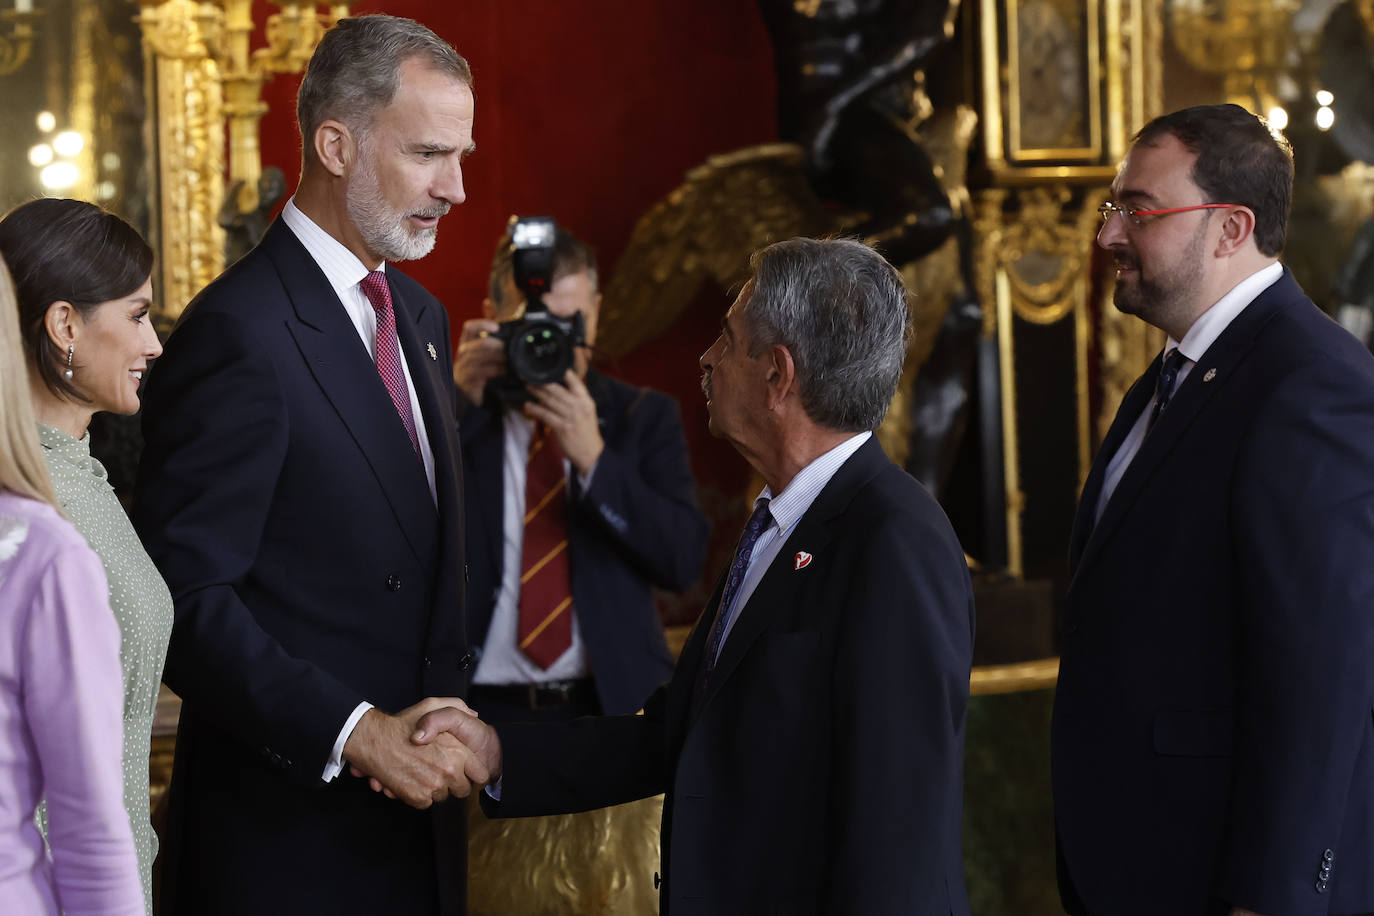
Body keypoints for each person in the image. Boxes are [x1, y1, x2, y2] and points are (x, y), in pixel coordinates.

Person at [419, 237, 976, 915]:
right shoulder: (784, 520)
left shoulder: (893, 540)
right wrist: (499, 748)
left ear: (777, 374)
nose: (706, 358)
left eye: (727, 337)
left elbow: (898, 828)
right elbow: (676, 734)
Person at [131, 14, 486, 915]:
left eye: (461, 156)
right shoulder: (236, 331)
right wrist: (355, 732)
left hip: (421, 832)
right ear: (335, 144)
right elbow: (186, 600)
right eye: (429, 155)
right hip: (289, 847)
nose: (456, 189)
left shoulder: (421, 319)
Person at [1052, 104, 1374, 916]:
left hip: (1223, 882)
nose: (1108, 236)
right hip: (1144, 865)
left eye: (1138, 210)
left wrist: (1275, 897)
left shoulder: (1311, 383)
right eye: (1111, 207)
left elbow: (1323, 675)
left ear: (1231, 228)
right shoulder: (1165, 382)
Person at [452, 225, 709, 723]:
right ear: (493, 319)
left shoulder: (642, 417)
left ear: (595, 314)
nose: (551, 341)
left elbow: (682, 563)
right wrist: (453, 408)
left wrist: (595, 461)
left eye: (570, 322)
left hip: (610, 705)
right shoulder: (448, 416)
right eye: (535, 324)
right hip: (474, 712)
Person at [0, 197, 170, 915]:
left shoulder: (79, 478)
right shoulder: (40, 513)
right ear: (64, 324)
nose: (155, 342)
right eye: (136, 315)